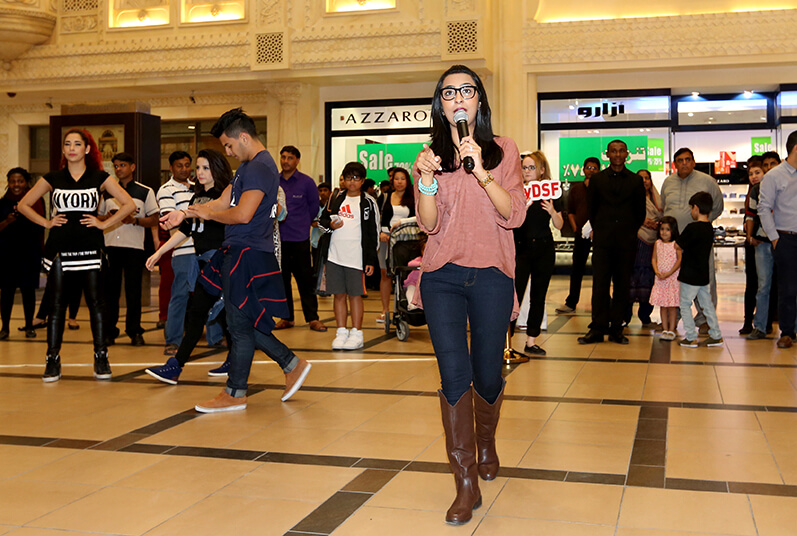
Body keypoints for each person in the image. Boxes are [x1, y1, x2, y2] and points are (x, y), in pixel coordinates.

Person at [413, 65, 525, 525]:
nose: (458, 98)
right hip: (441, 275)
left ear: (479, 100)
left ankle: (487, 441)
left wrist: (481, 172)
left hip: (493, 275)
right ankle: (465, 481)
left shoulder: (504, 151)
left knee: (488, 374)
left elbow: (513, 214)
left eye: (467, 90)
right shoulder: (431, 156)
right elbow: (429, 224)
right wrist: (423, 181)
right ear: (441, 103)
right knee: (454, 375)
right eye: (449, 92)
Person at [161, 108, 312, 412]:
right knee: (241, 321)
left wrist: (210, 214)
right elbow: (219, 201)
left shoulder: (258, 168)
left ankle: (245, 387)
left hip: (246, 252)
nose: (227, 152)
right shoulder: (248, 167)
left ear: (244, 137)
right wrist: (186, 212)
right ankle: (279, 369)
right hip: (240, 251)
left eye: (229, 146)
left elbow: (241, 214)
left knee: (239, 322)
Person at [17, 128, 135, 382]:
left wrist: (104, 224)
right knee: (57, 305)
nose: (72, 148)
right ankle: (52, 359)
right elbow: (23, 205)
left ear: (87, 149)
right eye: (67, 144)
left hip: (91, 247)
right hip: (60, 247)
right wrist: (46, 223)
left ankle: (101, 357)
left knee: (96, 304)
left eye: (77, 144)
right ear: (63, 150)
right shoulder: (52, 178)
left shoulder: (100, 177)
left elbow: (130, 204)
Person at [145, 149, 232, 383]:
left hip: (219, 261)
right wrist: (160, 252)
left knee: (201, 313)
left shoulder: (223, 194)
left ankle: (176, 366)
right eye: (198, 168)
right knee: (219, 313)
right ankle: (235, 359)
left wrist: (184, 213)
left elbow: (205, 216)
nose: (200, 173)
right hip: (202, 260)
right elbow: (186, 229)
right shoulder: (196, 196)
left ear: (216, 169)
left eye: (206, 168)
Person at [578, 140, 646, 345]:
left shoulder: (635, 181)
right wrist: (601, 230)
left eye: (621, 151)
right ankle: (597, 329)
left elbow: (639, 212)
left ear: (627, 154)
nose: (617, 154)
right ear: (607, 154)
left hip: (626, 242)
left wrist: (627, 231)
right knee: (599, 285)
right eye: (613, 151)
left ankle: (617, 328)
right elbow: (592, 209)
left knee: (622, 287)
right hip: (603, 242)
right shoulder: (597, 180)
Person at [318, 162, 380, 350]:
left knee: (355, 295)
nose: (352, 182)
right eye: (349, 178)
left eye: (356, 178)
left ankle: (356, 332)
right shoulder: (336, 198)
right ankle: (341, 331)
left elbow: (373, 232)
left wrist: (370, 259)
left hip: (356, 257)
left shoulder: (368, 202)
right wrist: (331, 225)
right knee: (338, 295)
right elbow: (321, 223)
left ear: (362, 181)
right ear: (343, 179)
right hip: (335, 255)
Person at [660, 148, 723, 334]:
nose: (684, 163)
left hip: (699, 242)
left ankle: (704, 319)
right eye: (680, 160)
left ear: (694, 162)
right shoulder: (668, 182)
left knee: (705, 279)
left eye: (688, 159)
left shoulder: (707, 181)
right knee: (675, 280)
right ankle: (673, 318)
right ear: (675, 164)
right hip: (675, 242)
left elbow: (717, 207)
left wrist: (701, 227)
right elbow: (665, 206)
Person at [100, 153, 159, 346]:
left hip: (134, 247)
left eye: (122, 165)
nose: (119, 169)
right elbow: (98, 217)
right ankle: (109, 331)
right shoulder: (107, 191)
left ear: (132, 167)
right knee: (110, 292)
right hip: (110, 246)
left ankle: (135, 331)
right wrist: (107, 217)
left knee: (133, 292)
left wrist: (135, 220)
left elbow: (155, 218)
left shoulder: (144, 191)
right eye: (116, 166)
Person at [514, 151, 563, 356]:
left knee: (538, 296)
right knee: (513, 295)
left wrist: (552, 211)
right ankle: (504, 341)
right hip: (520, 248)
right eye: (524, 167)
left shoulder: (550, 192)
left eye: (531, 167)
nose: (526, 171)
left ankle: (531, 341)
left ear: (542, 170)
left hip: (544, 248)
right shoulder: (515, 191)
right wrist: (521, 210)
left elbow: (560, 225)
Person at [276, 145, 326, 332]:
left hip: (300, 239)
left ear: (297, 160)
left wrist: (303, 223)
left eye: (290, 158)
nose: (285, 161)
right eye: (283, 157)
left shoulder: (306, 182)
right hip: (279, 240)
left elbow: (314, 208)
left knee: (305, 280)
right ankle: (287, 318)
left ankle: (312, 318)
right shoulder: (275, 181)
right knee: (282, 281)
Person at [758, 130, 797, 349]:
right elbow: (764, 209)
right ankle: (787, 332)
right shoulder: (774, 176)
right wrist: (774, 239)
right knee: (788, 288)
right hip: (786, 239)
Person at [157, 151, 196, 355]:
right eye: (179, 165)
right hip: (183, 249)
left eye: (187, 164)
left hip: (204, 249)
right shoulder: (166, 190)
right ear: (171, 168)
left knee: (210, 293)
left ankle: (216, 337)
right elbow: (170, 221)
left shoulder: (199, 188)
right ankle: (172, 340)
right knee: (179, 295)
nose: (184, 169)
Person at [0, 168, 44, 339]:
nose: (16, 185)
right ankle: (5, 328)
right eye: (12, 181)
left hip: (29, 253)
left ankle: (28, 326)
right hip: (6, 254)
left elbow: (41, 226)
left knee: (28, 291)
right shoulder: (2, 204)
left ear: (26, 183)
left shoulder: (36, 201)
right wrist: (7, 221)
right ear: (8, 183)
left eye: (20, 181)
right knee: (7, 292)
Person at [676, 192, 723, 347]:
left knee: (684, 304)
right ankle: (716, 334)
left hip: (690, 274)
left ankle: (690, 336)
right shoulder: (709, 228)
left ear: (695, 208)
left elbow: (678, 244)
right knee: (706, 304)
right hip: (703, 274)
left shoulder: (692, 227)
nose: (691, 211)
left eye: (691, 208)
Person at [556, 156, 599, 314]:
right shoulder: (576, 189)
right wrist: (575, 228)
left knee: (601, 269)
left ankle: (601, 303)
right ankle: (571, 302)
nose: (591, 171)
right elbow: (571, 212)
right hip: (581, 234)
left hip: (599, 234)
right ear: (583, 169)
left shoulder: (602, 187)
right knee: (577, 269)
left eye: (594, 168)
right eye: (588, 167)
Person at [377, 167, 415, 323]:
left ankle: (408, 305)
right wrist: (380, 233)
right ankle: (385, 310)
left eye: (403, 178)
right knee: (385, 274)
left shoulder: (413, 198)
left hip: (406, 240)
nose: (399, 182)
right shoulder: (384, 197)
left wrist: (401, 223)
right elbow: (376, 217)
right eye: (396, 179)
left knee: (405, 274)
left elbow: (418, 217)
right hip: (385, 240)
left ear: (407, 181)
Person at [741, 157, 773, 338]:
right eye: (751, 174)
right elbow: (750, 215)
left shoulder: (782, 186)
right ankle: (758, 326)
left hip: (783, 240)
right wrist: (750, 237)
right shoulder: (755, 191)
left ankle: (788, 328)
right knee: (761, 285)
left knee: (786, 285)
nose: (754, 176)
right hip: (761, 242)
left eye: (757, 172)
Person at [627, 169, 662, 328]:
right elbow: (627, 215)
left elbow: (662, 217)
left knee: (648, 281)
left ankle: (645, 315)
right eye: (640, 178)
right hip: (635, 240)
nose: (644, 181)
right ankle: (625, 317)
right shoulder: (630, 197)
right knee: (630, 279)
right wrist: (642, 221)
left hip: (652, 243)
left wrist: (657, 225)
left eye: (647, 178)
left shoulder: (657, 199)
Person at [650, 216, 681, 341]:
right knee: (663, 305)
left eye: (667, 229)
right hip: (660, 278)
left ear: (673, 230)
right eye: (662, 229)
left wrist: (669, 273)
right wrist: (657, 271)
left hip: (672, 278)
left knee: (672, 306)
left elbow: (679, 260)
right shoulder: (657, 243)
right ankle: (665, 328)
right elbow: (654, 259)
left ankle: (672, 329)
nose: (664, 232)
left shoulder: (675, 244)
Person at [311, 182, 332, 278]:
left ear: (330, 192)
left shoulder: (333, 206)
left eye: (325, 190)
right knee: (317, 267)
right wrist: (326, 223)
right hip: (316, 242)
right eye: (320, 191)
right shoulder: (315, 206)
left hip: (330, 243)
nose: (323, 193)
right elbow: (313, 223)